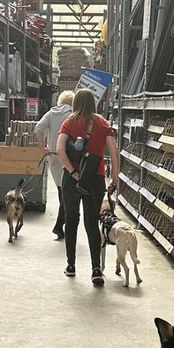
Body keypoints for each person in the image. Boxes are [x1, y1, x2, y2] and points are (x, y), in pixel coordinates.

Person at [56, 89, 120, 286]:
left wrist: (73, 172)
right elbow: (114, 152)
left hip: (72, 180)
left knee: (71, 221)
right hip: (95, 179)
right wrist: (114, 180)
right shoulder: (102, 122)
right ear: (93, 103)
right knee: (92, 224)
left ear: (75, 103)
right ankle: (95, 269)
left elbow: (59, 149)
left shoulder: (69, 122)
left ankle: (71, 265)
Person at [35, 90, 74, 239]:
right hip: (67, 156)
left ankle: (60, 226)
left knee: (61, 189)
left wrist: (42, 147)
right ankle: (59, 225)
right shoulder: (72, 114)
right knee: (67, 192)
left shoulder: (51, 113)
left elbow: (38, 128)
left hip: (52, 155)